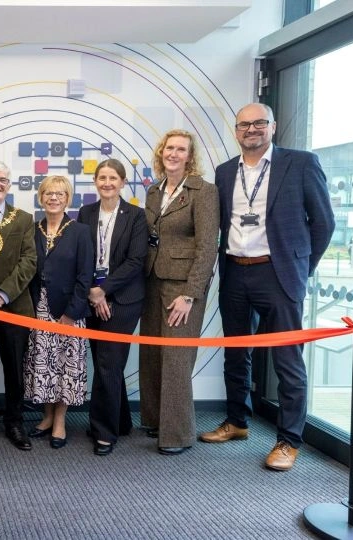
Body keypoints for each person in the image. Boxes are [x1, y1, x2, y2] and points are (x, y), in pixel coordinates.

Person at [200, 103, 335, 471]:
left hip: (277, 273)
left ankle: (288, 440)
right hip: (235, 271)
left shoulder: (301, 164)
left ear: (272, 127)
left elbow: (323, 223)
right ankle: (237, 422)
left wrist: (301, 268)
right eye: (244, 124)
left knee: (287, 359)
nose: (252, 129)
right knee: (235, 353)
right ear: (236, 131)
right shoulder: (225, 171)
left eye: (259, 122)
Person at [139, 129, 219, 456]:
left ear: (190, 156)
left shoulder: (203, 191)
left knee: (176, 358)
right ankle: (155, 420)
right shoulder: (153, 191)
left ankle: (177, 434)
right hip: (151, 280)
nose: (173, 153)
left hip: (182, 287)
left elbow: (207, 247)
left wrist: (190, 294)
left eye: (180, 149)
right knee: (152, 354)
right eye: (169, 148)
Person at [77, 159, 148, 456]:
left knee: (108, 362)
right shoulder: (86, 213)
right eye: (102, 178)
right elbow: (82, 255)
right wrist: (93, 293)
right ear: (95, 181)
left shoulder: (137, 216)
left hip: (124, 299)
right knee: (106, 361)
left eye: (113, 178)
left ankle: (104, 432)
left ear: (122, 182)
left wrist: (103, 291)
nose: (107, 183)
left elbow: (135, 261)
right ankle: (120, 421)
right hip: (92, 296)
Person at [25, 175, 93, 450]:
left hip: (68, 311)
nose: (53, 198)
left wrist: (72, 313)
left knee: (65, 365)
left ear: (68, 199)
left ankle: (60, 421)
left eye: (60, 194)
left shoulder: (80, 232)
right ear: (41, 197)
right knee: (44, 365)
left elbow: (85, 276)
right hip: (38, 309)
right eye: (48, 193)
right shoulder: (32, 230)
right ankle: (47, 416)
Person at [0, 161, 36, 451]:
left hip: (13, 305)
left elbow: (29, 261)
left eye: (1, 179)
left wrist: (2, 294)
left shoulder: (23, 219)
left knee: (14, 368)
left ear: (9, 185)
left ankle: (14, 421)